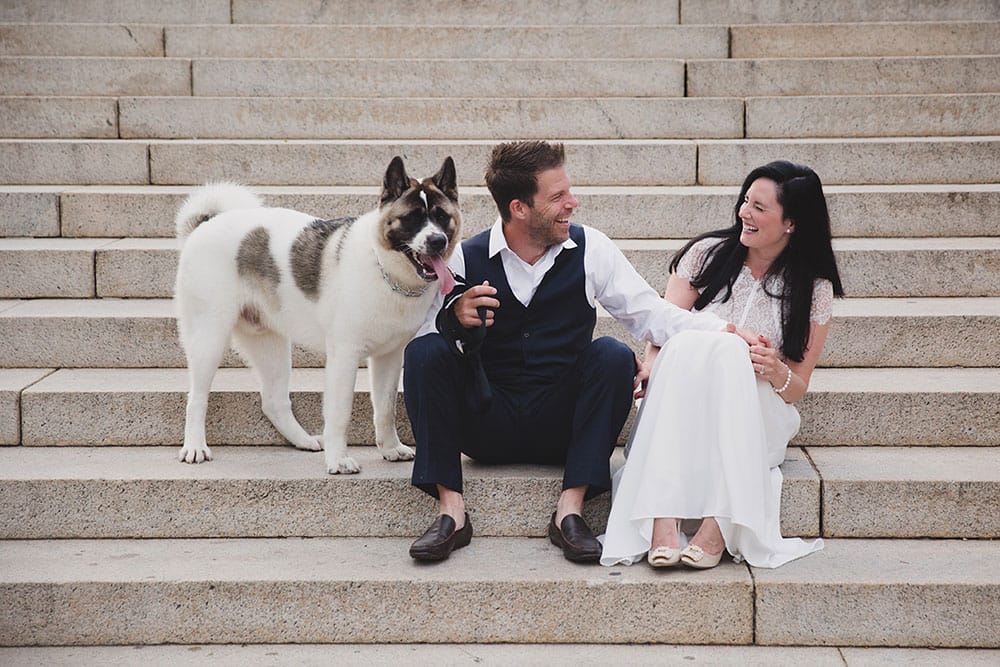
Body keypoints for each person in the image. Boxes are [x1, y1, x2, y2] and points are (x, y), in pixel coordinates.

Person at [403, 140, 743, 562]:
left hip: (562, 424)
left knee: (614, 357)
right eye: (558, 196)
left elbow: (651, 314)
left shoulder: (591, 248)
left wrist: (726, 331)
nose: (572, 203)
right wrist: (453, 322)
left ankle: (571, 511)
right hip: (485, 420)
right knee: (423, 353)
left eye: (569, 192)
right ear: (519, 208)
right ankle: (451, 513)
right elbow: (422, 343)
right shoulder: (464, 258)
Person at [600, 160, 844, 569]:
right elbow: (660, 331)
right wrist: (654, 371)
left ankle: (715, 526)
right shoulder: (706, 255)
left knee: (731, 353)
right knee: (703, 340)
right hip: (683, 395)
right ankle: (664, 520)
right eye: (746, 201)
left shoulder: (813, 289)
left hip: (757, 405)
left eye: (760, 208)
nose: (744, 213)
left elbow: (797, 386)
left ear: (792, 223)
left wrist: (774, 369)